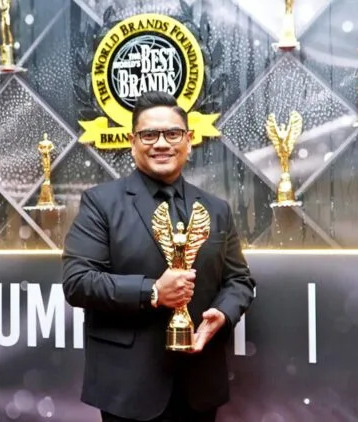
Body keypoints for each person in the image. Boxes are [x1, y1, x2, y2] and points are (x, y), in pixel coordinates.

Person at [61, 91, 256, 422]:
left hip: (199, 385)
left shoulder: (216, 209)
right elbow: (78, 282)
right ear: (132, 141)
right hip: (128, 389)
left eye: (173, 133)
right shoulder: (101, 203)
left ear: (188, 140)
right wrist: (152, 292)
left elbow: (239, 280)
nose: (162, 144)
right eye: (149, 134)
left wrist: (222, 314)